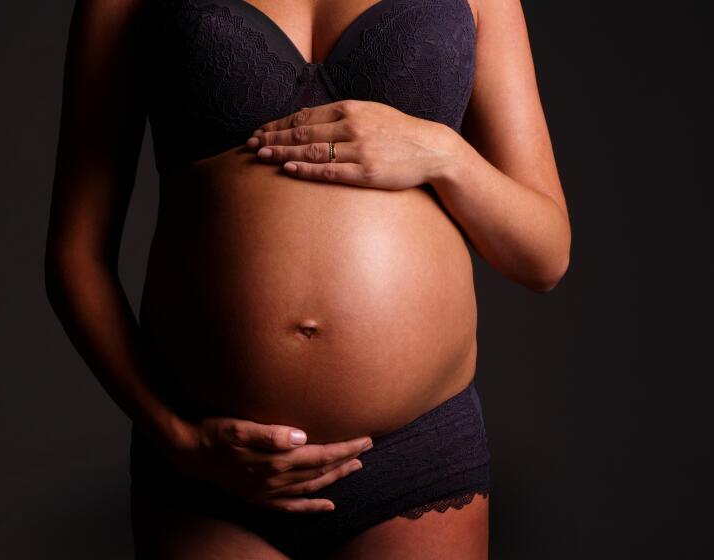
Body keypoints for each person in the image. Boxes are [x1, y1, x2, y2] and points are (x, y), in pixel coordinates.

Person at [45, 0, 570, 558]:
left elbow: (544, 256)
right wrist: (178, 440)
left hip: (416, 451)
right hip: (215, 458)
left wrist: (444, 154)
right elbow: (76, 256)